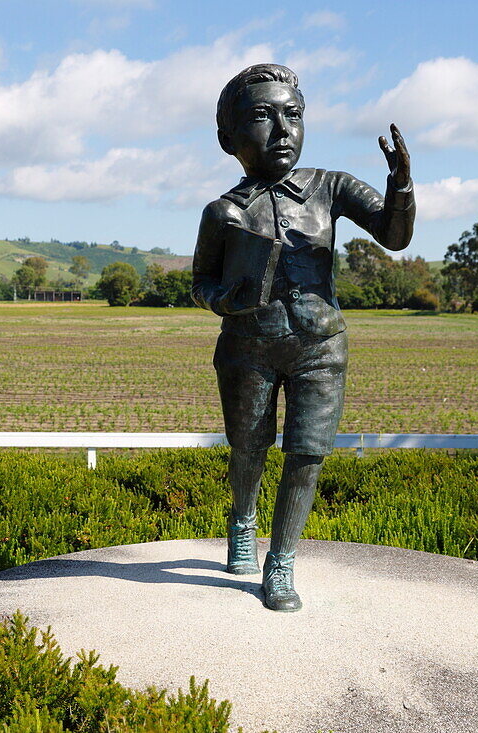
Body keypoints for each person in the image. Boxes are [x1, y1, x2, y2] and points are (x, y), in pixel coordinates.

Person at [191, 63, 415, 611]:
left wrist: (402, 185)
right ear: (229, 137)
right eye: (263, 117)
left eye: (293, 114)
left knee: (307, 454)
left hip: (321, 347)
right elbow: (200, 283)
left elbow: (394, 234)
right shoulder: (222, 212)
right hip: (247, 348)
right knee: (248, 448)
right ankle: (242, 524)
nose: (283, 129)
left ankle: (281, 564)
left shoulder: (330, 187)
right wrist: (226, 300)